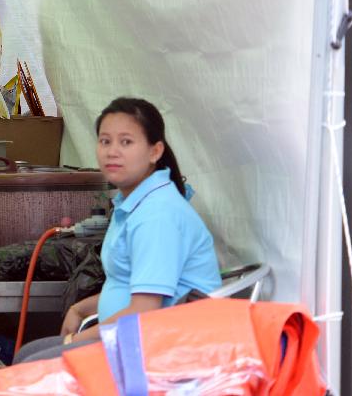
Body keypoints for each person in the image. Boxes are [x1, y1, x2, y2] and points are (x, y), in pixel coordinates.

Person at [15, 97, 221, 363]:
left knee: (34, 365)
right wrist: (79, 309)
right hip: (135, 340)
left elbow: (143, 313)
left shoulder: (157, 215)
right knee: (28, 354)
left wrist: (75, 340)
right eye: (105, 141)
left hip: (163, 349)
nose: (113, 151)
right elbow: (130, 288)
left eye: (126, 142)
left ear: (154, 152)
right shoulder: (134, 204)